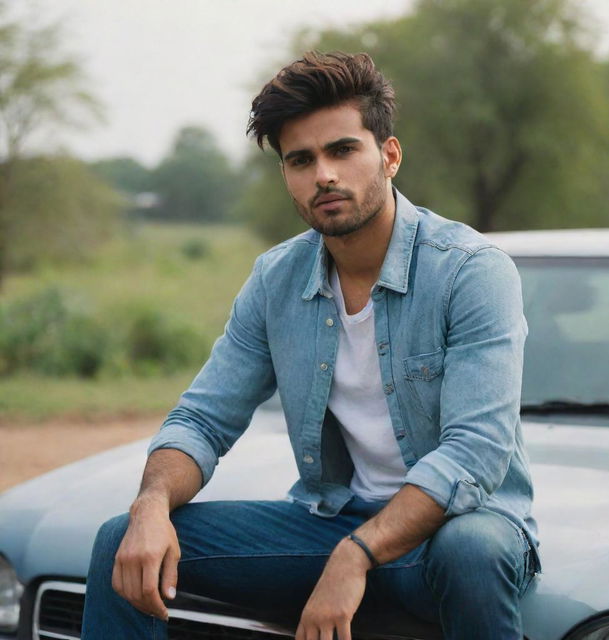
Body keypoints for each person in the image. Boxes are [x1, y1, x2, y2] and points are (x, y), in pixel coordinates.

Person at [82, 51, 540, 640]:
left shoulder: (471, 271)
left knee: (473, 550)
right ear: (287, 177)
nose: (324, 174)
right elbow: (203, 418)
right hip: (332, 524)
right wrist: (149, 506)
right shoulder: (276, 281)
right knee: (119, 539)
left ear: (389, 156)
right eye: (301, 160)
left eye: (343, 150)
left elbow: (474, 453)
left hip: (457, 530)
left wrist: (354, 557)